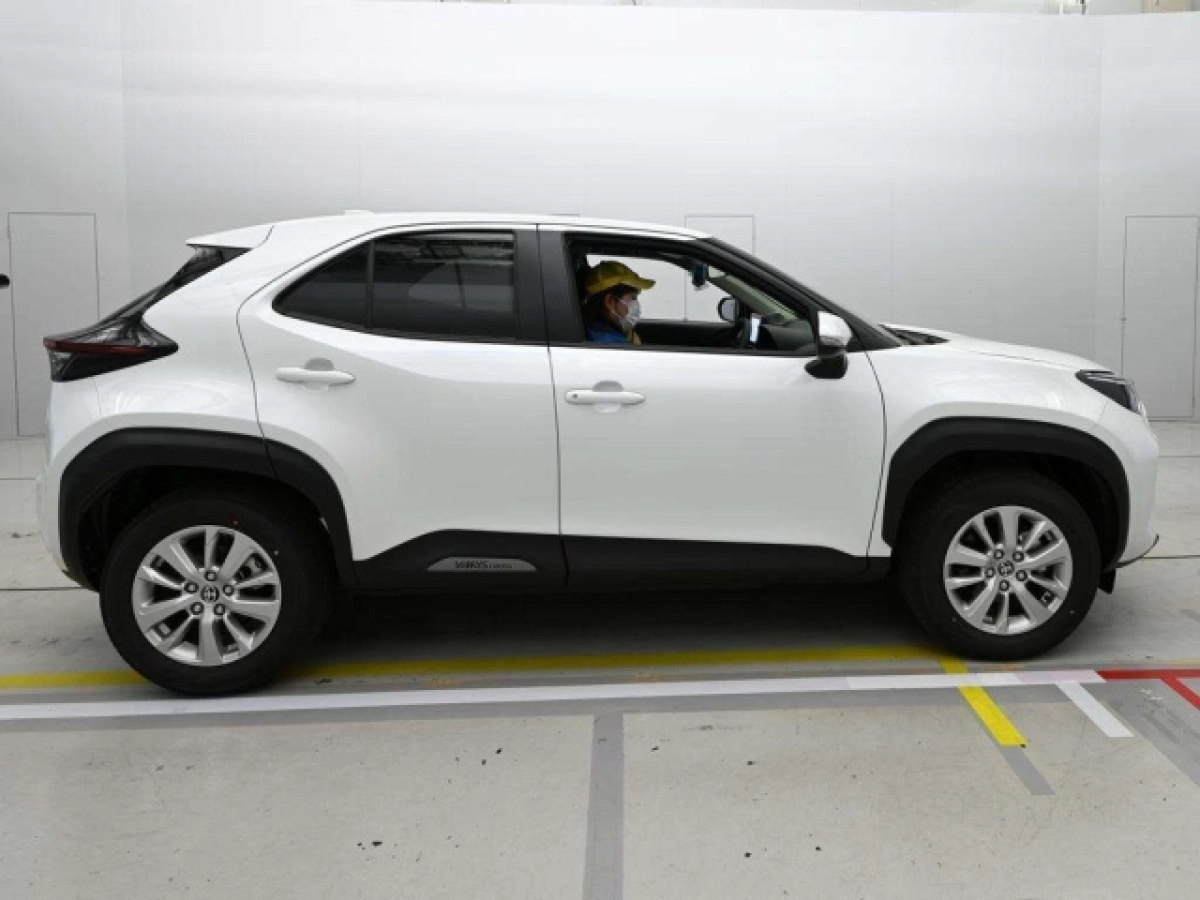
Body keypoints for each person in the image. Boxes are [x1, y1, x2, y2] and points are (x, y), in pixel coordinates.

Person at [581, 260, 655, 345]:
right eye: (633, 298)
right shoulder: (611, 343)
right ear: (610, 301)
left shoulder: (600, 329)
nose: (636, 304)